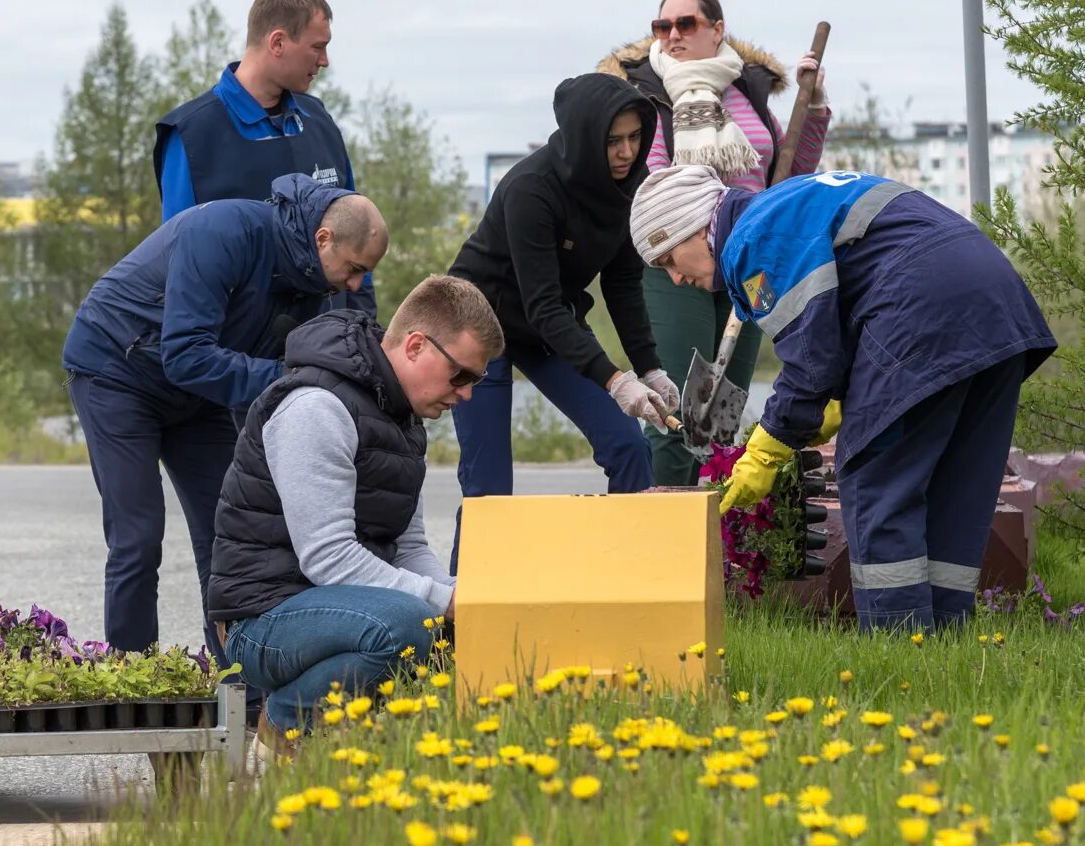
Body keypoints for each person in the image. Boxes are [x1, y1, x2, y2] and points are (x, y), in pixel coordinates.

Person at [629, 165, 1056, 633]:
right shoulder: (789, 201)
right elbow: (840, 319)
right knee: (957, 483)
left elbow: (810, 362)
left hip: (922, 312)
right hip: (997, 306)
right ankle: (947, 641)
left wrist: (769, 447)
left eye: (668, 259)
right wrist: (836, 398)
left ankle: (902, 646)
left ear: (693, 226)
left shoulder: (752, 238)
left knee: (877, 481)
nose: (673, 278)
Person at [62, 173, 387, 668]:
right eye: (355, 268)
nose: (356, 284)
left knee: (229, 535)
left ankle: (240, 684)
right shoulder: (223, 231)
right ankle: (135, 683)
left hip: (196, 391)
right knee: (138, 534)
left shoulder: (315, 278)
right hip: (117, 371)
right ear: (324, 239)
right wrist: (290, 377)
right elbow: (188, 355)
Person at [208, 276, 504, 755]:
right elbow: (328, 558)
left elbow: (408, 549)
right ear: (415, 346)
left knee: (451, 625)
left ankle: (370, 746)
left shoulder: (401, 420)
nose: (465, 395)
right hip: (262, 617)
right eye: (462, 376)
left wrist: (469, 600)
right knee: (409, 626)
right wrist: (441, 603)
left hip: (340, 609)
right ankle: (287, 721)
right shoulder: (317, 407)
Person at [599, 0, 832, 486]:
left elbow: (787, 176)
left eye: (686, 24)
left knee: (725, 405)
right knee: (677, 406)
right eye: (663, 26)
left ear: (717, 29)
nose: (672, 36)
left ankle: (713, 531)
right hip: (675, 266)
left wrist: (812, 105)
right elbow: (653, 187)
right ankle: (664, 524)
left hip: (747, 262)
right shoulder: (648, 95)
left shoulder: (746, 91)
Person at [447, 73, 675, 567]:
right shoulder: (532, 187)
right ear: (585, 137)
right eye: (613, 141)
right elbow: (543, 304)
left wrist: (649, 368)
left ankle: (630, 582)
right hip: (476, 328)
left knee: (628, 447)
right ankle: (456, 627)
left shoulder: (629, 186)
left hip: (545, 327)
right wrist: (615, 379)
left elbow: (622, 284)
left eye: (636, 138)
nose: (626, 152)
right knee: (488, 487)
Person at [154, 0, 374, 315]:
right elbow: (178, 269)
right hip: (240, 356)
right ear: (277, 42)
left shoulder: (320, 122)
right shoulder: (192, 135)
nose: (325, 60)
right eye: (317, 47)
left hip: (328, 349)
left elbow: (358, 234)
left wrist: (362, 326)